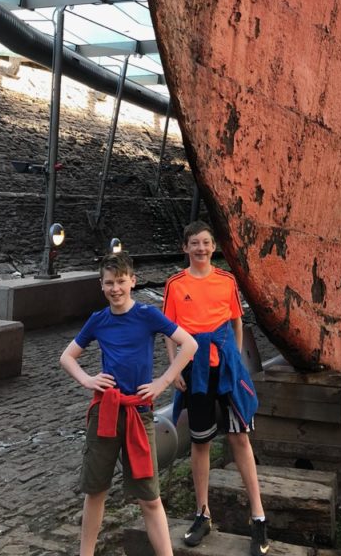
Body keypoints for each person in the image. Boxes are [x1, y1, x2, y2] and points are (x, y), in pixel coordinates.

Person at [60, 251, 197, 556]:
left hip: (139, 413)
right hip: (106, 413)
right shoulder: (98, 320)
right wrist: (87, 380)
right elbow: (67, 357)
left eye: (121, 281)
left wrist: (162, 382)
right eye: (109, 283)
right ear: (102, 285)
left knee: (150, 497)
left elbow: (189, 344)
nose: (115, 289)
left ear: (132, 281)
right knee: (95, 491)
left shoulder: (147, 315)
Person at [163, 220, 269, 556]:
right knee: (200, 441)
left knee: (240, 436)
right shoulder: (175, 285)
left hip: (225, 364)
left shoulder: (226, 281)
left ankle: (258, 516)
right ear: (185, 248)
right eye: (195, 243)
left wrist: (235, 360)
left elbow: (237, 321)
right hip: (194, 369)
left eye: (206, 243)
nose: (201, 249)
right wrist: (174, 367)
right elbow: (169, 330)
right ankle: (202, 512)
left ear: (213, 247)